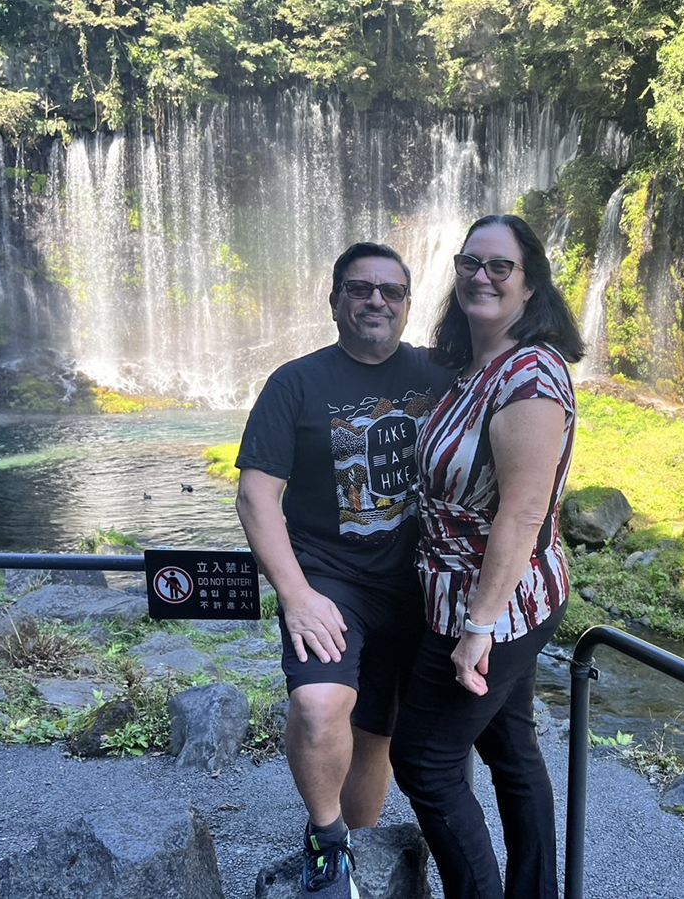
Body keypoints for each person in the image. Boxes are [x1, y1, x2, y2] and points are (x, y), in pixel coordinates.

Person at [235, 242, 452, 898]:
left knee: (377, 736)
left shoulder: (440, 374)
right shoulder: (295, 384)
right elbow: (254, 496)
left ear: (408, 305)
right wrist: (295, 594)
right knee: (318, 705)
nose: (376, 300)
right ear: (335, 301)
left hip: (417, 589)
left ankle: (356, 846)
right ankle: (327, 844)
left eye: (390, 290)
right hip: (329, 584)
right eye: (360, 289)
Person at [389, 214, 584, 899]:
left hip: (497, 604)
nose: (482, 275)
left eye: (501, 266)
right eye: (471, 261)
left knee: (425, 761)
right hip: (465, 594)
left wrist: (477, 630)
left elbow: (524, 512)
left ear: (531, 286)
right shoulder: (475, 367)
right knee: (509, 747)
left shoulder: (530, 374)